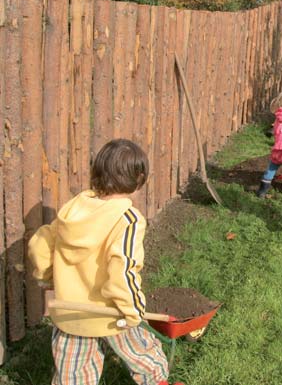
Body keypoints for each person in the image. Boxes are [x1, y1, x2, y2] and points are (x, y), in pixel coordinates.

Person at [27, 139, 183, 385]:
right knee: (141, 352)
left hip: (71, 313)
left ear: (96, 172)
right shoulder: (127, 219)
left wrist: (46, 277)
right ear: (139, 178)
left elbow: (41, 246)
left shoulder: (73, 209)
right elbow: (123, 270)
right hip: (112, 313)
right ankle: (157, 382)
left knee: (73, 371)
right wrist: (132, 310)